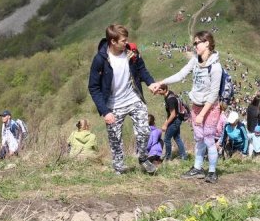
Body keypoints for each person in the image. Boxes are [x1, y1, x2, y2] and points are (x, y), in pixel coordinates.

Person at [151, 30, 222, 184]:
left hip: (210, 108)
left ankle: (212, 171)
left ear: (207, 43)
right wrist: (161, 82)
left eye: (197, 43)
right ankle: (197, 168)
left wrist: (203, 114)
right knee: (199, 138)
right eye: (194, 43)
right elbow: (181, 74)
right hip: (196, 106)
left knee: (209, 139)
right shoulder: (195, 61)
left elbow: (214, 94)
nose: (195, 45)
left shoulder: (216, 68)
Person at [88, 24, 157, 175]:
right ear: (112, 41)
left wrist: (150, 83)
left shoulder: (131, 52)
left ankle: (144, 159)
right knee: (115, 138)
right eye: (123, 41)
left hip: (133, 98)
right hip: (113, 104)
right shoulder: (100, 60)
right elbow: (93, 87)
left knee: (145, 131)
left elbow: (141, 69)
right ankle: (119, 166)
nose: (126, 43)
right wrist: (105, 111)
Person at [155, 84, 188, 161]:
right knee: (177, 137)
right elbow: (170, 113)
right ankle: (184, 156)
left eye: (160, 90)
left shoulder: (170, 99)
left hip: (176, 120)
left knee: (166, 139)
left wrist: (165, 125)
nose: (158, 92)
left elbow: (173, 114)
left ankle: (168, 157)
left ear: (165, 89)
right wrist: (166, 122)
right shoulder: (169, 94)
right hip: (178, 118)